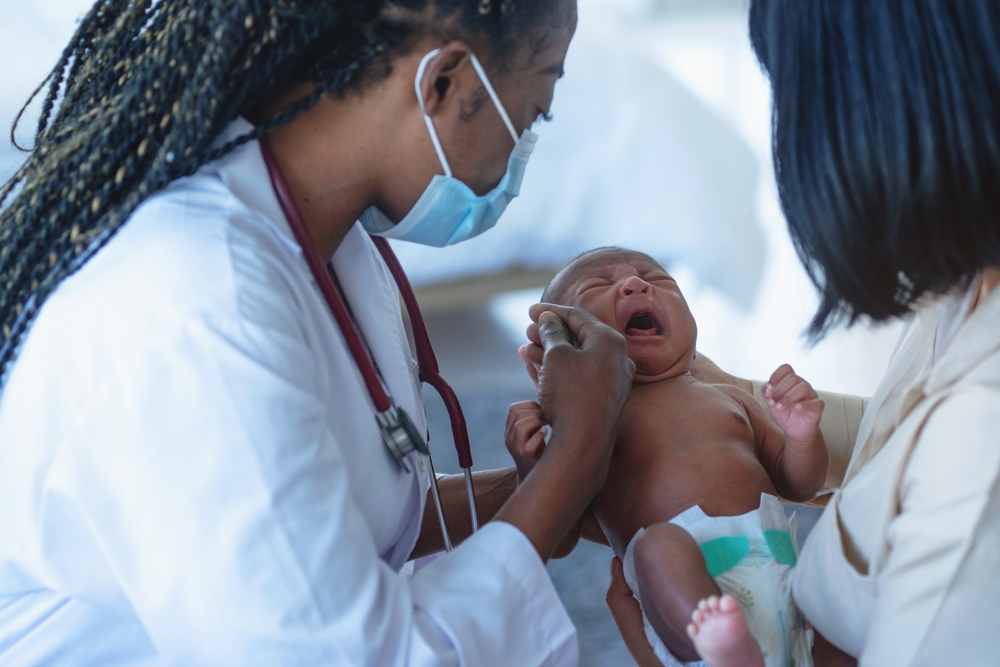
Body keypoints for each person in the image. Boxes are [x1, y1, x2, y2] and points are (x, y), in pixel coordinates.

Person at [0, 1, 638, 665]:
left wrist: (542, 486)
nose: (524, 146)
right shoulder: (196, 315)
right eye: (535, 110)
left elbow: (346, 512)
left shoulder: (324, 237)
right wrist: (578, 455)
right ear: (442, 81)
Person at [592, 1, 1000, 665]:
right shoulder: (967, 292)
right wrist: (706, 393)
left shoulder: (978, 444)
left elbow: (945, 449)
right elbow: (898, 434)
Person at [506, 247, 825, 667]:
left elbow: (795, 484)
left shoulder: (729, 399)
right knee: (656, 547)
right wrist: (532, 467)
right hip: (689, 613)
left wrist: (801, 437)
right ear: (550, 360)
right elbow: (559, 534)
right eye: (599, 285)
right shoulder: (589, 425)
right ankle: (725, 651)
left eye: (659, 281)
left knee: (843, 564)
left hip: (783, 577)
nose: (635, 284)